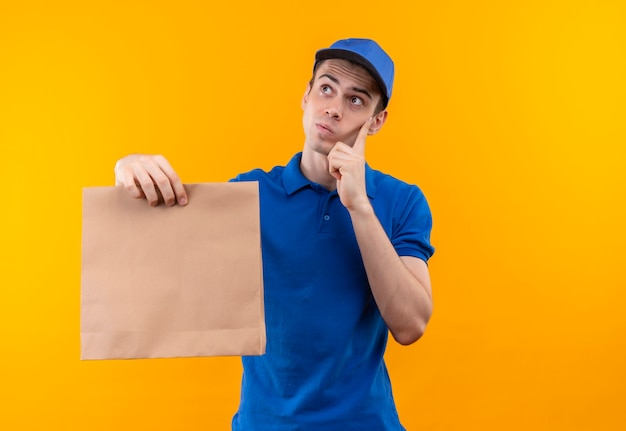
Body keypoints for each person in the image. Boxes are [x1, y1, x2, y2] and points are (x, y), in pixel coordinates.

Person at [114, 38, 435, 430]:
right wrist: (131, 173)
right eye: (326, 88)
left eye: (355, 100)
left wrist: (360, 207)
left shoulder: (402, 201)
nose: (333, 108)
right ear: (306, 96)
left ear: (376, 120)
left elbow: (411, 325)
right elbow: (160, 273)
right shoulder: (247, 195)